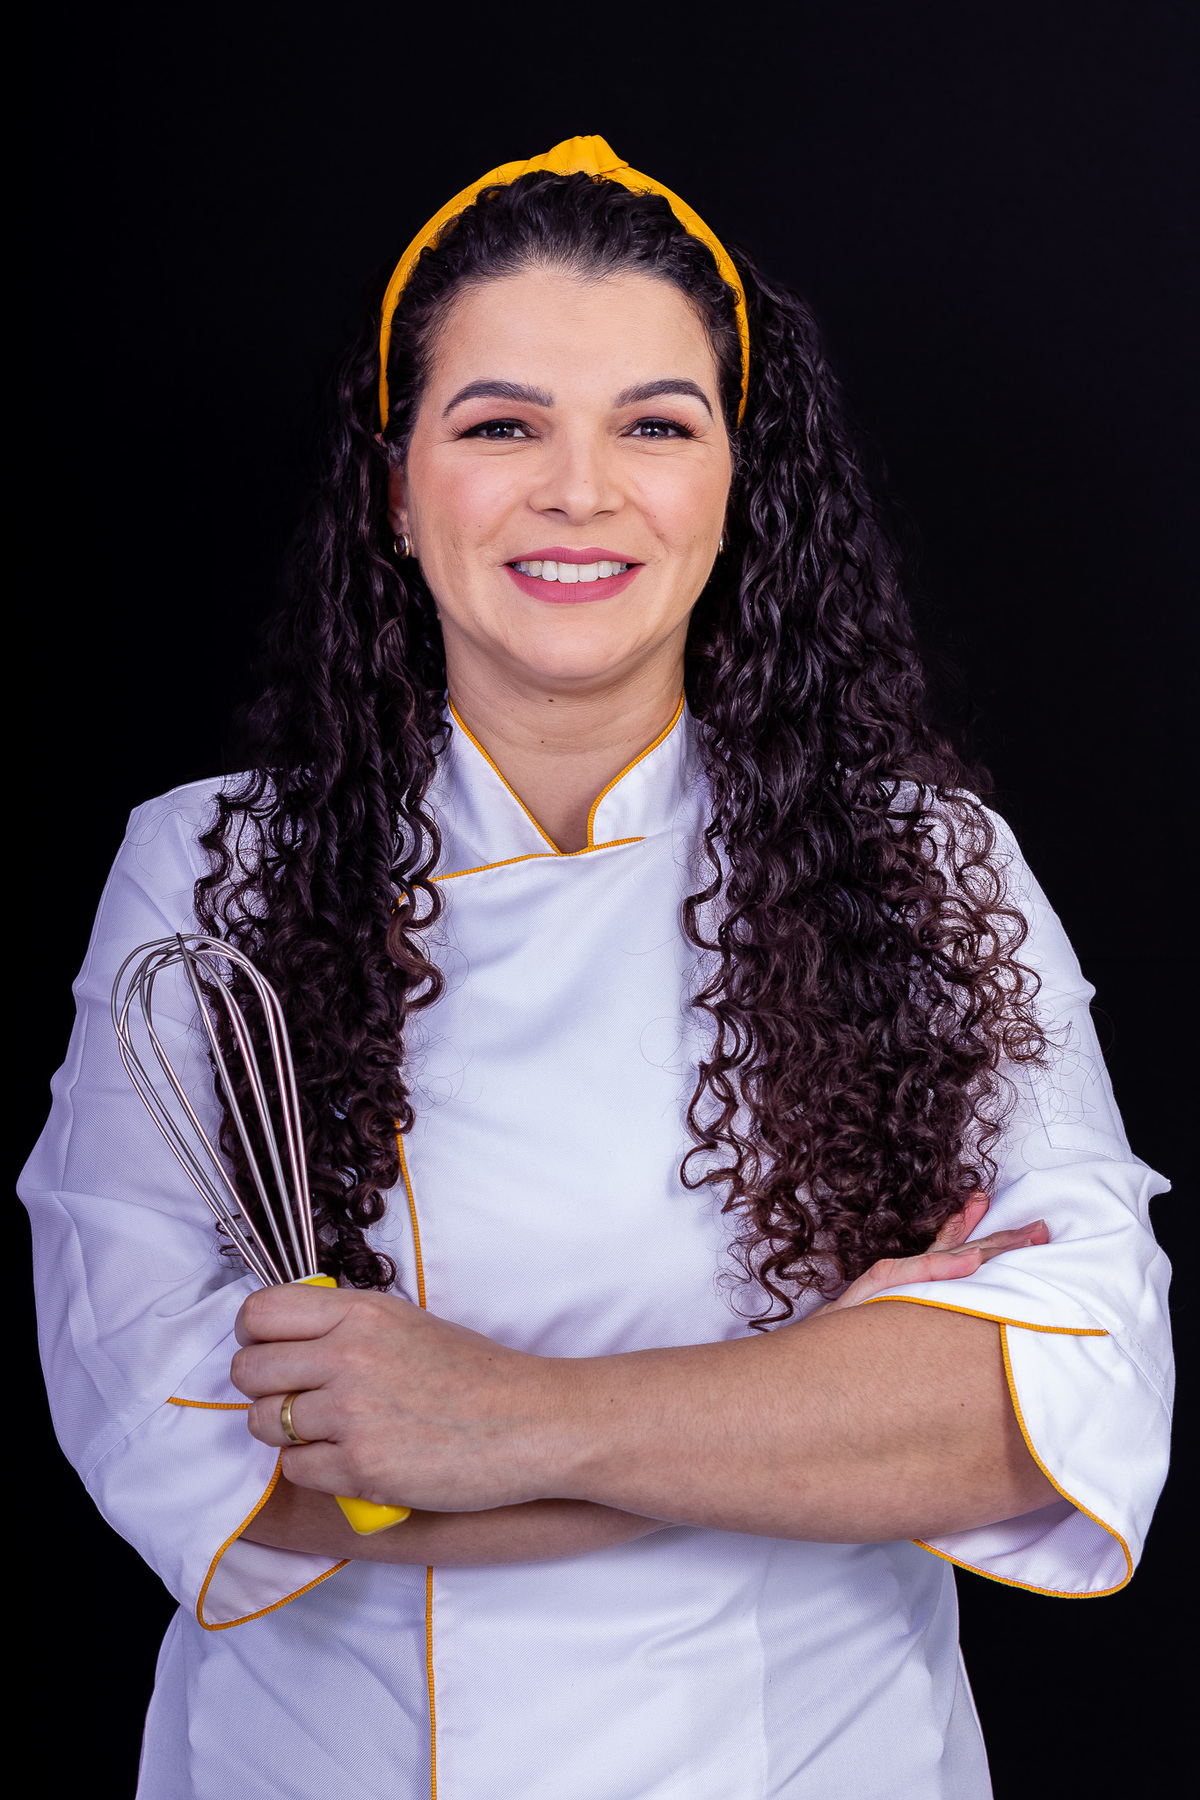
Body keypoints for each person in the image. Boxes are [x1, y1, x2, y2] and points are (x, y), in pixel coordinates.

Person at [21, 137, 1171, 1799]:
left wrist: (497, 1419)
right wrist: (807, 1414)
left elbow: (1052, 1400)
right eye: (501, 426)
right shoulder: (213, 872)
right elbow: (183, 1435)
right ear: (395, 488)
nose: (579, 491)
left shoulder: (928, 865)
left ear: (737, 486)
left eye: (656, 425)